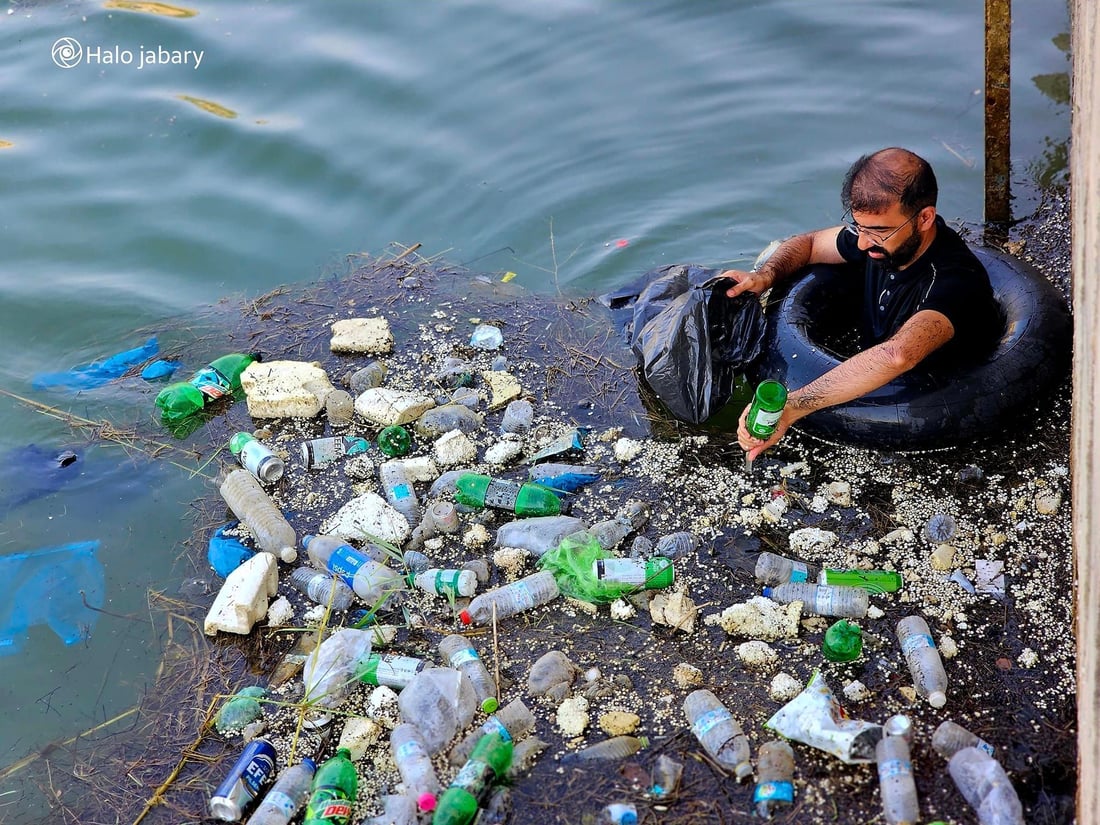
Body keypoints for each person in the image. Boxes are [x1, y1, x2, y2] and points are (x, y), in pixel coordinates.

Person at [722, 147, 1001, 461]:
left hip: (939, 401)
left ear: (924, 218)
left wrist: (793, 407)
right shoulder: (875, 240)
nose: (864, 242)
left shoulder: (955, 281)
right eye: (860, 227)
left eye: (880, 231)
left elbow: (899, 354)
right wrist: (764, 276)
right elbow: (810, 243)